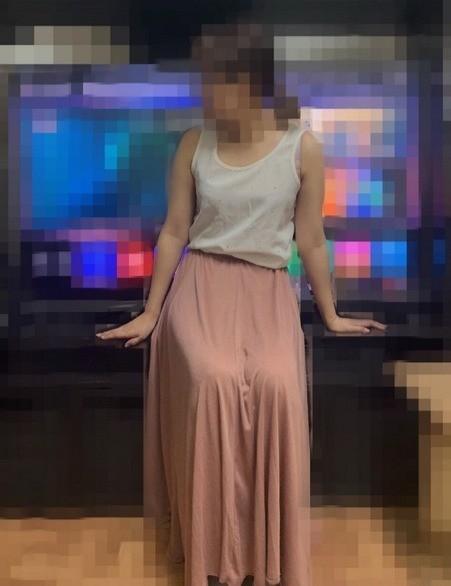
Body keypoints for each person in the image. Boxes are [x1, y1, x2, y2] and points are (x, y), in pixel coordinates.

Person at [97, 20, 387, 586]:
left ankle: (264, 552)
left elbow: (311, 240)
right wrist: (152, 312)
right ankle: (213, 554)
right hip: (201, 287)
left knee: (277, 386)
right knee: (214, 381)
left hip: (267, 292)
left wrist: (331, 313)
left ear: (250, 82)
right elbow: (174, 232)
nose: (203, 93)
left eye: (213, 81)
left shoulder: (302, 148)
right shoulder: (193, 143)